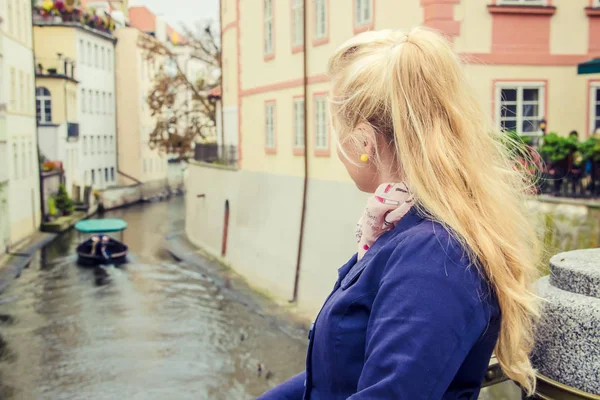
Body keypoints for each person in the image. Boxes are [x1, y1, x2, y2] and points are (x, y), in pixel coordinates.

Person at [258, 28, 540, 400]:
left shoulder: (434, 256)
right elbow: (337, 376)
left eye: (336, 125)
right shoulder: (405, 223)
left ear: (362, 141)